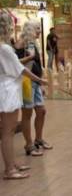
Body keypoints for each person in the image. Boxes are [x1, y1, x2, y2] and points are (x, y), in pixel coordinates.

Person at [0, 12, 47, 180]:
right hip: (7, 91)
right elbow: (20, 69)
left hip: (8, 89)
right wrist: (40, 80)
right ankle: (9, 170)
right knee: (8, 132)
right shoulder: (4, 47)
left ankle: (12, 164)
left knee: (9, 131)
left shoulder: (4, 47)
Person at [14, 20, 53, 157]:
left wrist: (40, 81)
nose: (39, 31)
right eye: (37, 29)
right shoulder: (21, 43)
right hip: (26, 83)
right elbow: (16, 64)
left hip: (36, 82)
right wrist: (29, 57)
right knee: (27, 114)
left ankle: (38, 139)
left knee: (41, 111)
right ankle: (29, 145)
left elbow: (36, 62)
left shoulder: (33, 43)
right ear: (30, 29)